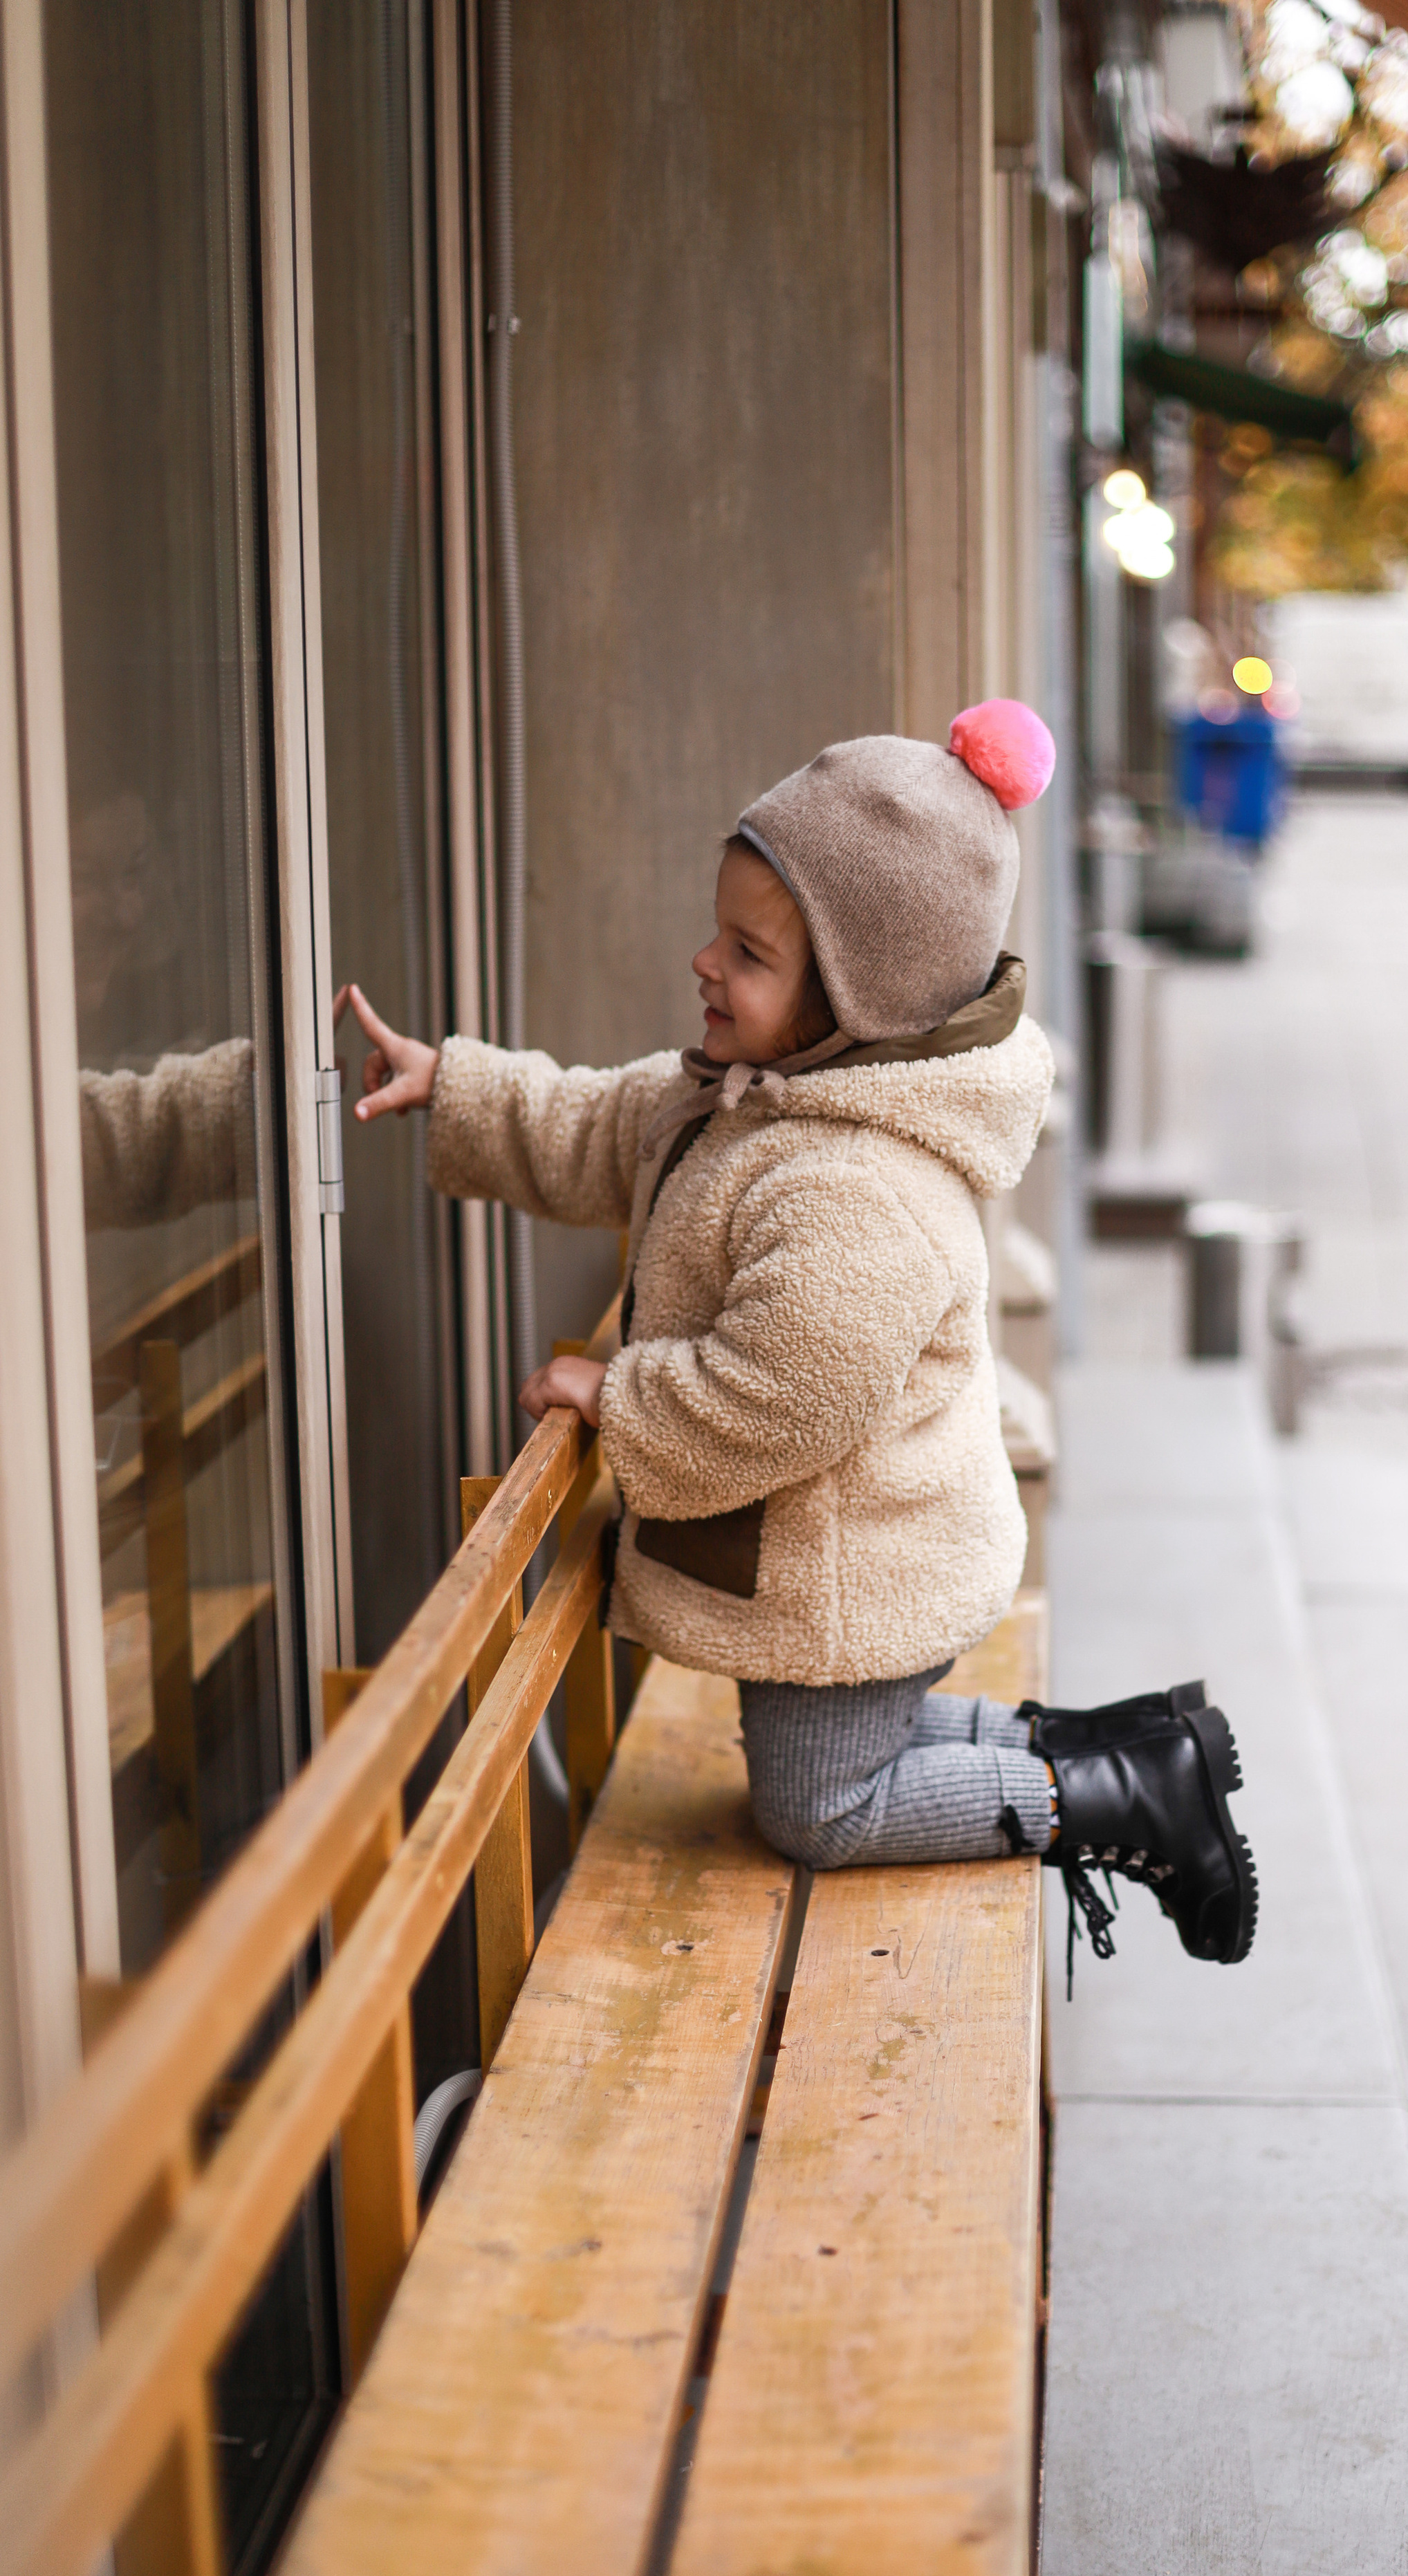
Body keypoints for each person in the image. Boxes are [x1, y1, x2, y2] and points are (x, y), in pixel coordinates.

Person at [345, 702, 1257, 1982]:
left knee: (823, 1808)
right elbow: (607, 1127)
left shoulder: (855, 1187)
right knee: (862, 1751)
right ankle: (1141, 1746)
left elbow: (783, 1400)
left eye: (752, 954)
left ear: (857, 1005)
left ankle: (1115, 1805)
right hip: (845, 1553)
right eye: (721, 930)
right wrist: (465, 1085)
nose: (707, 964)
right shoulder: (755, 1099)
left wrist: (621, 1397)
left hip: (855, 1567)